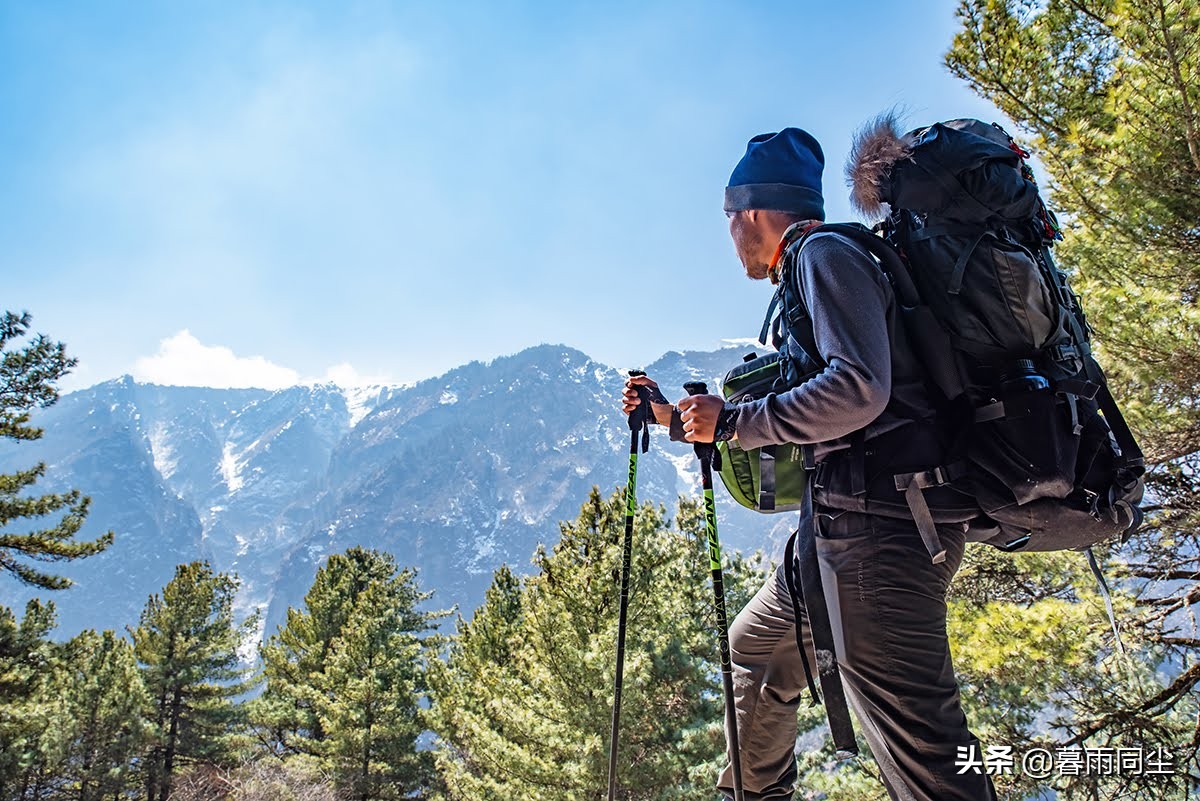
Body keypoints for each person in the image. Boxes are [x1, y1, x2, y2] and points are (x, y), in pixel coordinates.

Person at [622, 128, 997, 801]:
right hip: (836, 530)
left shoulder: (823, 254)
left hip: (883, 535)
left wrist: (734, 421)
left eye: (728, 218)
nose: (729, 234)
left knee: (924, 752)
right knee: (757, 648)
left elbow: (859, 389)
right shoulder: (812, 268)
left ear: (754, 211)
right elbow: (806, 416)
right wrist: (669, 417)